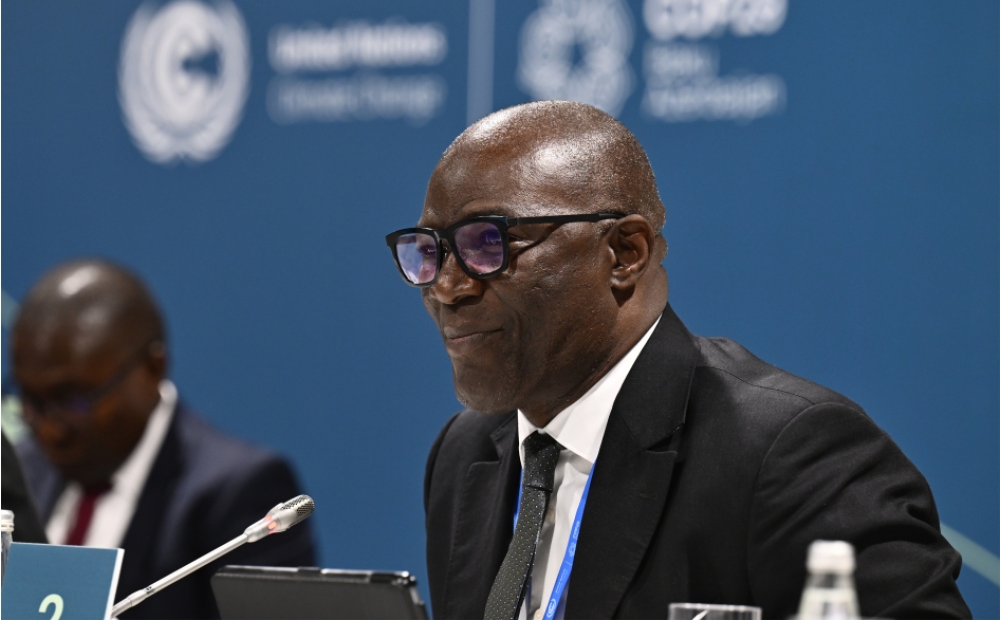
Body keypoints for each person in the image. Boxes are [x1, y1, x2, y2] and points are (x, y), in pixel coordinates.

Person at [388, 101, 971, 619]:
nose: (446, 288)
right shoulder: (466, 453)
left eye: (488, 243)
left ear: (625, 253)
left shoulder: (791, 454)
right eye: (429, 252)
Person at [12, 259, 316, 619]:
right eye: (32, 401)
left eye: (74, 401)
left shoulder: (238, 493)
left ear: (152, 368)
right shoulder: (18, 473)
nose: (51, 430)